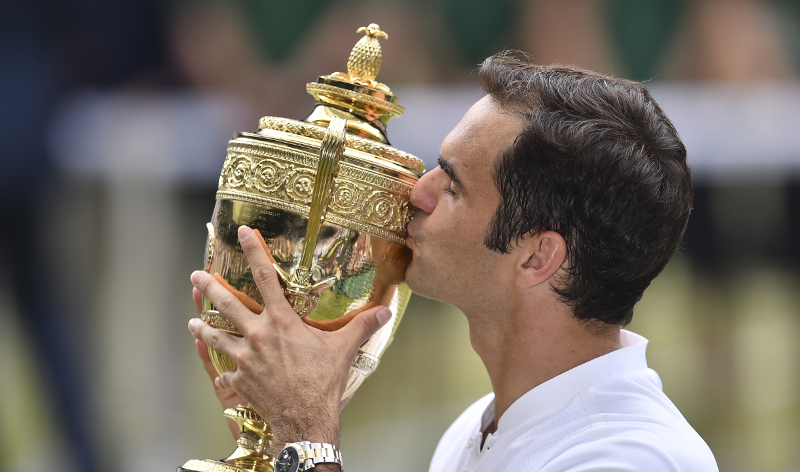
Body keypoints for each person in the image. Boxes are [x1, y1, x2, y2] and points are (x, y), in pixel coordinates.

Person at [188, 51, 718, 471]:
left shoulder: (632, 458)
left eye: (452, 183)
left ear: (537, 257)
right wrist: (271, 442)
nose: (418, 192)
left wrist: (307, 437)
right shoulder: (475, 432)